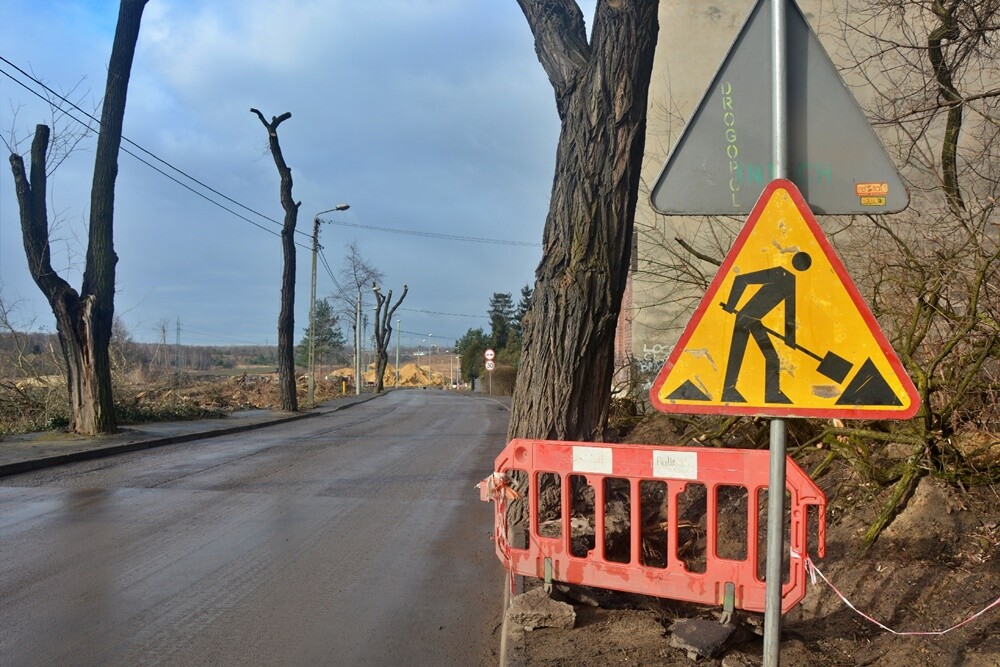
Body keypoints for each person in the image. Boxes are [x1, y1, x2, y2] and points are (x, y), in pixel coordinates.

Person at [720, 251, 812, 403]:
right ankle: (729, 392)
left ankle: (771, 394)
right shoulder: (778, 273)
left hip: (755, 322)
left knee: (773, 358)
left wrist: (790, 339)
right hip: (744, 321)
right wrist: (731, 305)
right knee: (738, 355)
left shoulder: (792, 283)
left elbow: (790, 314)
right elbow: (741, 279)